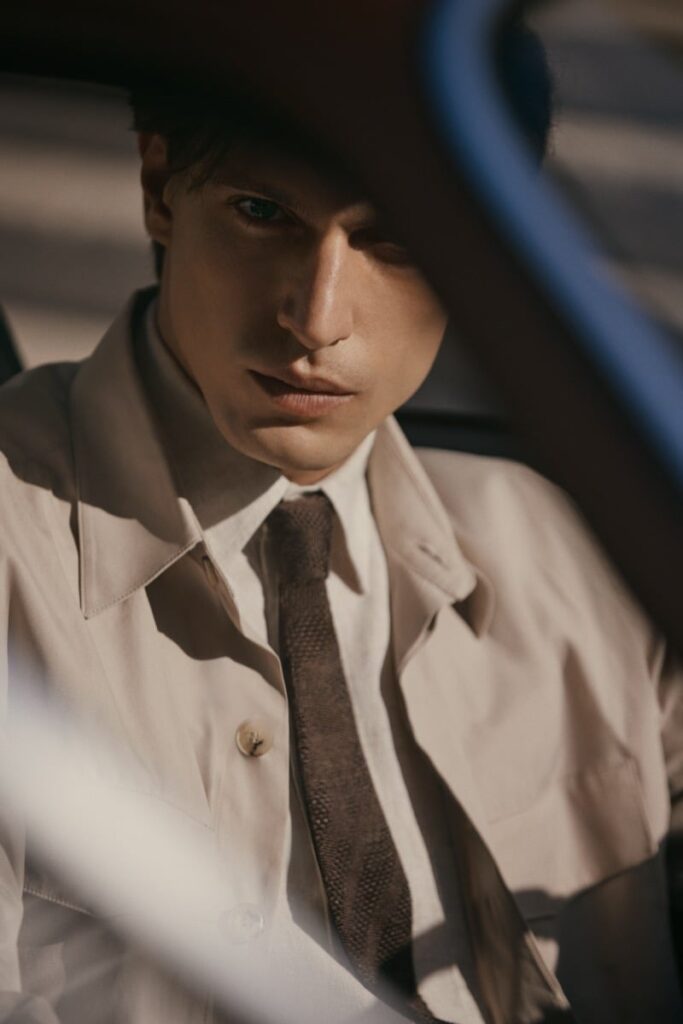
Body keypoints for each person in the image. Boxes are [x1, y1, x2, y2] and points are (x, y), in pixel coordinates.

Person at [0, 24, 681, 1024]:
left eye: (397, 238)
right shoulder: (18, 554)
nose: (317, 318)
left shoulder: (578, 548)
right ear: (157, 189)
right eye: (260, 211)